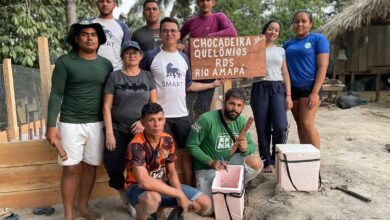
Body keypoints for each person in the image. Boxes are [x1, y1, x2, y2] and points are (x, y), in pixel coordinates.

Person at [140, 17, 224, 186]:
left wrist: (213, 84)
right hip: (159, 117)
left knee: (187, 152)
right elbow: (141, 83)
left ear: (178, 34)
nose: (170, 33)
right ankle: (162, 191)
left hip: (181, 114)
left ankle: (190, 188)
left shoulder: (184, 58)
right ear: (160, 34)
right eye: (166, 30)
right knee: (159, 155)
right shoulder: (150, 56)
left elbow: (189, 85)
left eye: (173, 30)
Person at [46, 21, 113, 220]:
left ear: (99, 39)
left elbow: (110, 96)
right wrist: (51, 125)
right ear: (76, 38)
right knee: (71, 168)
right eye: (84, 34)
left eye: (93, 34)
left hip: (97, 123)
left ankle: (83, 207)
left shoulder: (105, 64)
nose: (90, 38)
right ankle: (69, 215)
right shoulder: (65, 61)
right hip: (70, 123)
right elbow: (56, 94)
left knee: (91, 166)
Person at [125, 102, 211, 220]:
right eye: (151, 120)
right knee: (153, 200)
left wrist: (180, 194)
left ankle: (160, 208)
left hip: (163, 184)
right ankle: (141, 216)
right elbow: (144, 181)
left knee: (204, 203)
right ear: (143, 123)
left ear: (164, 120)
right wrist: (178, 194)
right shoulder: (136, 145)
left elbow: (171, 173)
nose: (156, 124)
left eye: (160, 119)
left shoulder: (167, 139)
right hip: (138, 188)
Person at [102, 40, 157, 215]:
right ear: (122, 56)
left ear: (141, 56)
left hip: (141, 129)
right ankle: (124, 196)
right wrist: (109, 133)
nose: (132, 55)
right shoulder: (115, 76)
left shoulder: (147, 76)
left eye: (135, 52)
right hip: (118, 128)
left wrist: (143, 122)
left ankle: (140, 199)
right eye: (128, 52)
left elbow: (154, 105)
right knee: (114, 164)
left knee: (141, 165)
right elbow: (106, 107)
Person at [186, 88, 263, 201]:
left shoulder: (241, 121)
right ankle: (231, 185)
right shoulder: (206, 120)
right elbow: (191, 145)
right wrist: (210, 162)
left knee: (255, 163)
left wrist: (245, 148)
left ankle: (238, 183)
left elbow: (251, 146)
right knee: (209, 209)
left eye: (239, 105)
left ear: (242, 107)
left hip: (229, 163)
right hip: (207, 168)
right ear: (224, 102)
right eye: (231, 103)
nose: (234, 109)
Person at [180, 0, 237, 122]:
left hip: (209, 70)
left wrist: (212, 36)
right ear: (197, 3)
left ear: (213, 2)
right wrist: (181, 46)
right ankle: (188, 133)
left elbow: (232, 32)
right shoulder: (191, 21)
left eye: (208, 0)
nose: (204, 3)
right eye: (201, 0)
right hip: (192, 68)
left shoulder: (219, 16)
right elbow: (178, 36)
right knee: (187, 106)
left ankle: (200, 133)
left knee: (204, 107)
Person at [250, 20, 293, 173]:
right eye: (270, 29)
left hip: (278, 87)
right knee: (263, 127)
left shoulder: (281, 51)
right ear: (265, 30)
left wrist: (288, 95)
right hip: (260, 87)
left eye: (276, 30)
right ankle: (266, 160)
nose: (273, 32)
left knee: (281, 126)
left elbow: (285, 73)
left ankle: (276, 156)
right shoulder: (254, 48)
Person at [283, 10, 329, 149]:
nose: (300, 24)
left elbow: (323, 66)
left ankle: (316, 159)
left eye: (304, 21)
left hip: (310, 87)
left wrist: (315, 92)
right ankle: (306, 155)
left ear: (310, 24)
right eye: (297, 21)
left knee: (307, 123)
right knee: (300, 125)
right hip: (293, 88)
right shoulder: (287, 44)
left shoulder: (318, 39)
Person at [88, 0, 131, 70]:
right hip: (91, 70)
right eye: (101, 1)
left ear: (114, 4)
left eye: (108, 1)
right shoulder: (88, 24)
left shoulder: (123, 27)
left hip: (115, 72)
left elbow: (127, 51)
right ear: (97, 3)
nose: (105, 4)